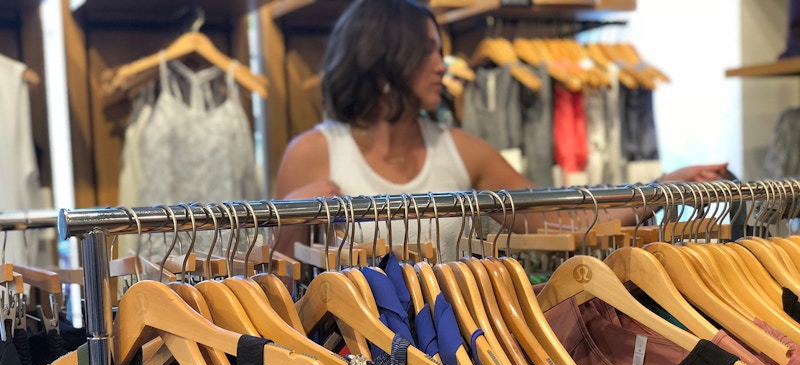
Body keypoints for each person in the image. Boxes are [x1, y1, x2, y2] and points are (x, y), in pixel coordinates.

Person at [273, 0, 729, 262]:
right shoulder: (314, 153)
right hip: (348, 362)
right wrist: (293, 217)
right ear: (385, 58)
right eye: (429, 51)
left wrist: (658, 191)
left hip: (450, 354)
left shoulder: (462, 151)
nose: (442, 65)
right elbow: (278, 281)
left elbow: (560, 220)